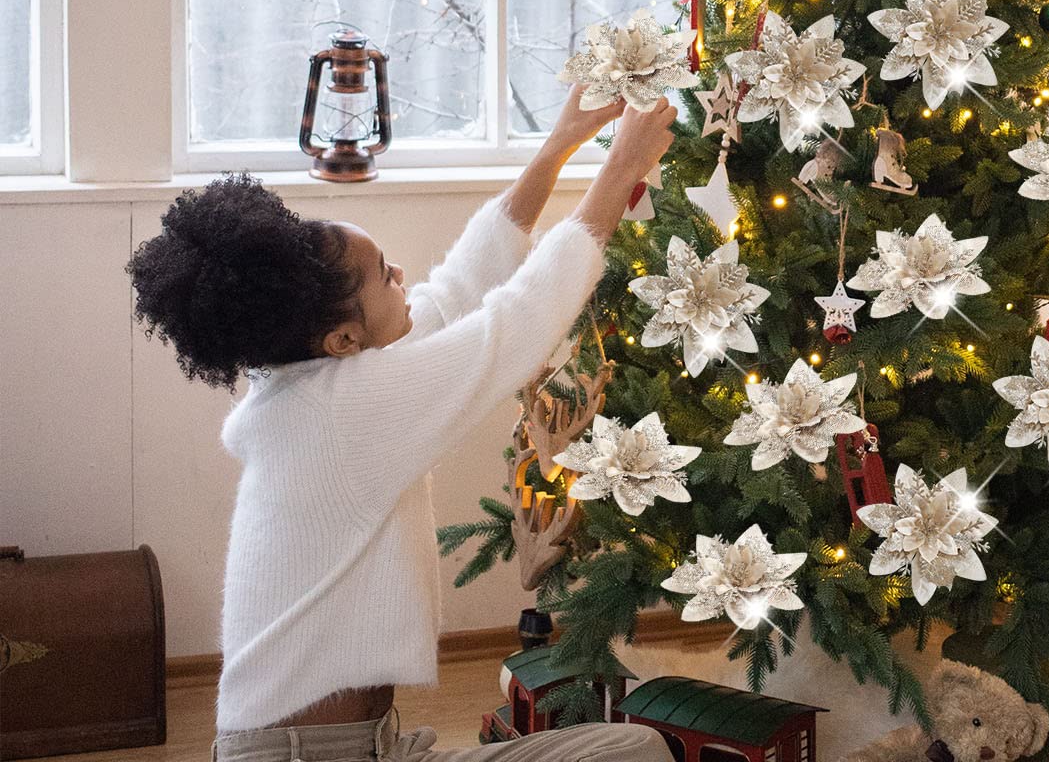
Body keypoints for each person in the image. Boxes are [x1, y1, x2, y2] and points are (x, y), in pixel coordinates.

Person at [128, 83, 676, 762]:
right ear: (343, 341)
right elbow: (515, 325)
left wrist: (556, 148)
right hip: (311, 756)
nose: (403, 276)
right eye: (384, 278)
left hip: (351, 747)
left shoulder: (310, 386)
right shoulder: (341, 411)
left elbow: (456, 292)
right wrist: (620, 170)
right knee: (636, 751)